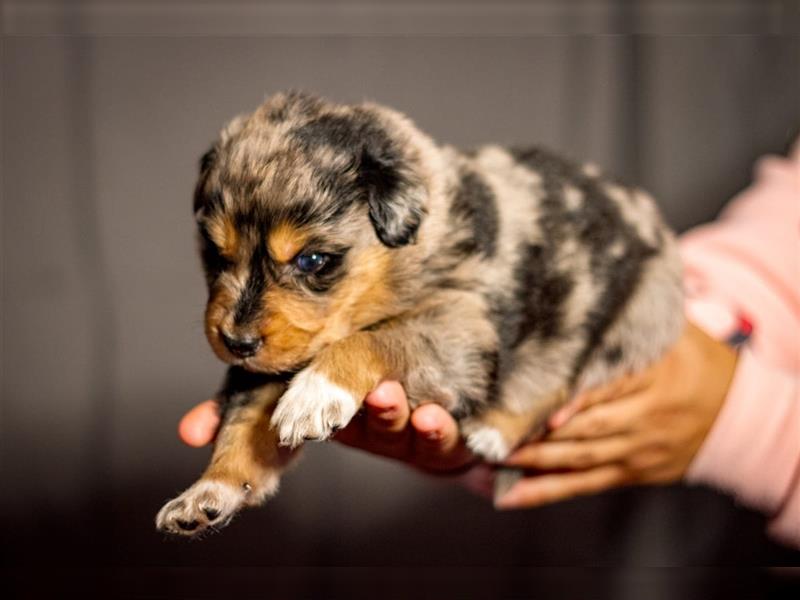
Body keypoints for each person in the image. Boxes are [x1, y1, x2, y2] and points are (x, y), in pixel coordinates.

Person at [178, 139, 799, 547]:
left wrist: (747, 422)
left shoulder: (439, 246)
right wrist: (718, 320)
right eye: (221, 253)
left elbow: (461, 342)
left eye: (311, 260)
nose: (238, 323)